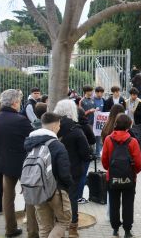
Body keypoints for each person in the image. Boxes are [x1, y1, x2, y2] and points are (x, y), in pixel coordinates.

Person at [0, 89, 38, 237]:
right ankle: (33, 232)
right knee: (30, 197)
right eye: (19, 101)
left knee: (7, 197)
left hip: (5, 163)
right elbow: (33, 139)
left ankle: (10, 229)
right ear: (14, 103)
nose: (19, 104)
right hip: (24, 164)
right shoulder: (20, 120)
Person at [24, 112, 74, 238]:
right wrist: (68, 186)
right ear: (54, 126)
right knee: (63, 221)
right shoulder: (57, 145)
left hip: (37, 188)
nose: (59, 128)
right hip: (56, 190)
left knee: (45, 226)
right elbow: (64, 172)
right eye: (58, 126)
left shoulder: (31, 143)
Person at [102, 114, 141, 237]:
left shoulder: (108, 139)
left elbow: (104, 160)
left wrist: (110, 169)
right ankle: (127, 230)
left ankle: (115, 228)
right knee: (128, 204)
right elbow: (139, 163)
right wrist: (133, 171)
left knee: (114, 203)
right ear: (128, 126)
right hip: (129, 178)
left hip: (112, 177)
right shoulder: (132, 141)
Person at [54, 99, 91, 236]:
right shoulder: (76, 130)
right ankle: (73, 228)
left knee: (56, 197)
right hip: (73, 169)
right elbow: (85, 153)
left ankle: (57, 224)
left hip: (54, 169)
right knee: (72, 198)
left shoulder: (52, 127)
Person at [127, 88, 141, 156]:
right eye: (133, 95)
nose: (135, 96)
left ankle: (140, 153)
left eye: (136, 95)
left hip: (137, 123)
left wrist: (135, 112)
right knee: (130, 139)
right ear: (130, 94)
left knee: (140, 138)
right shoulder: (126, 102)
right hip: (128, 123)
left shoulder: (140, 102)